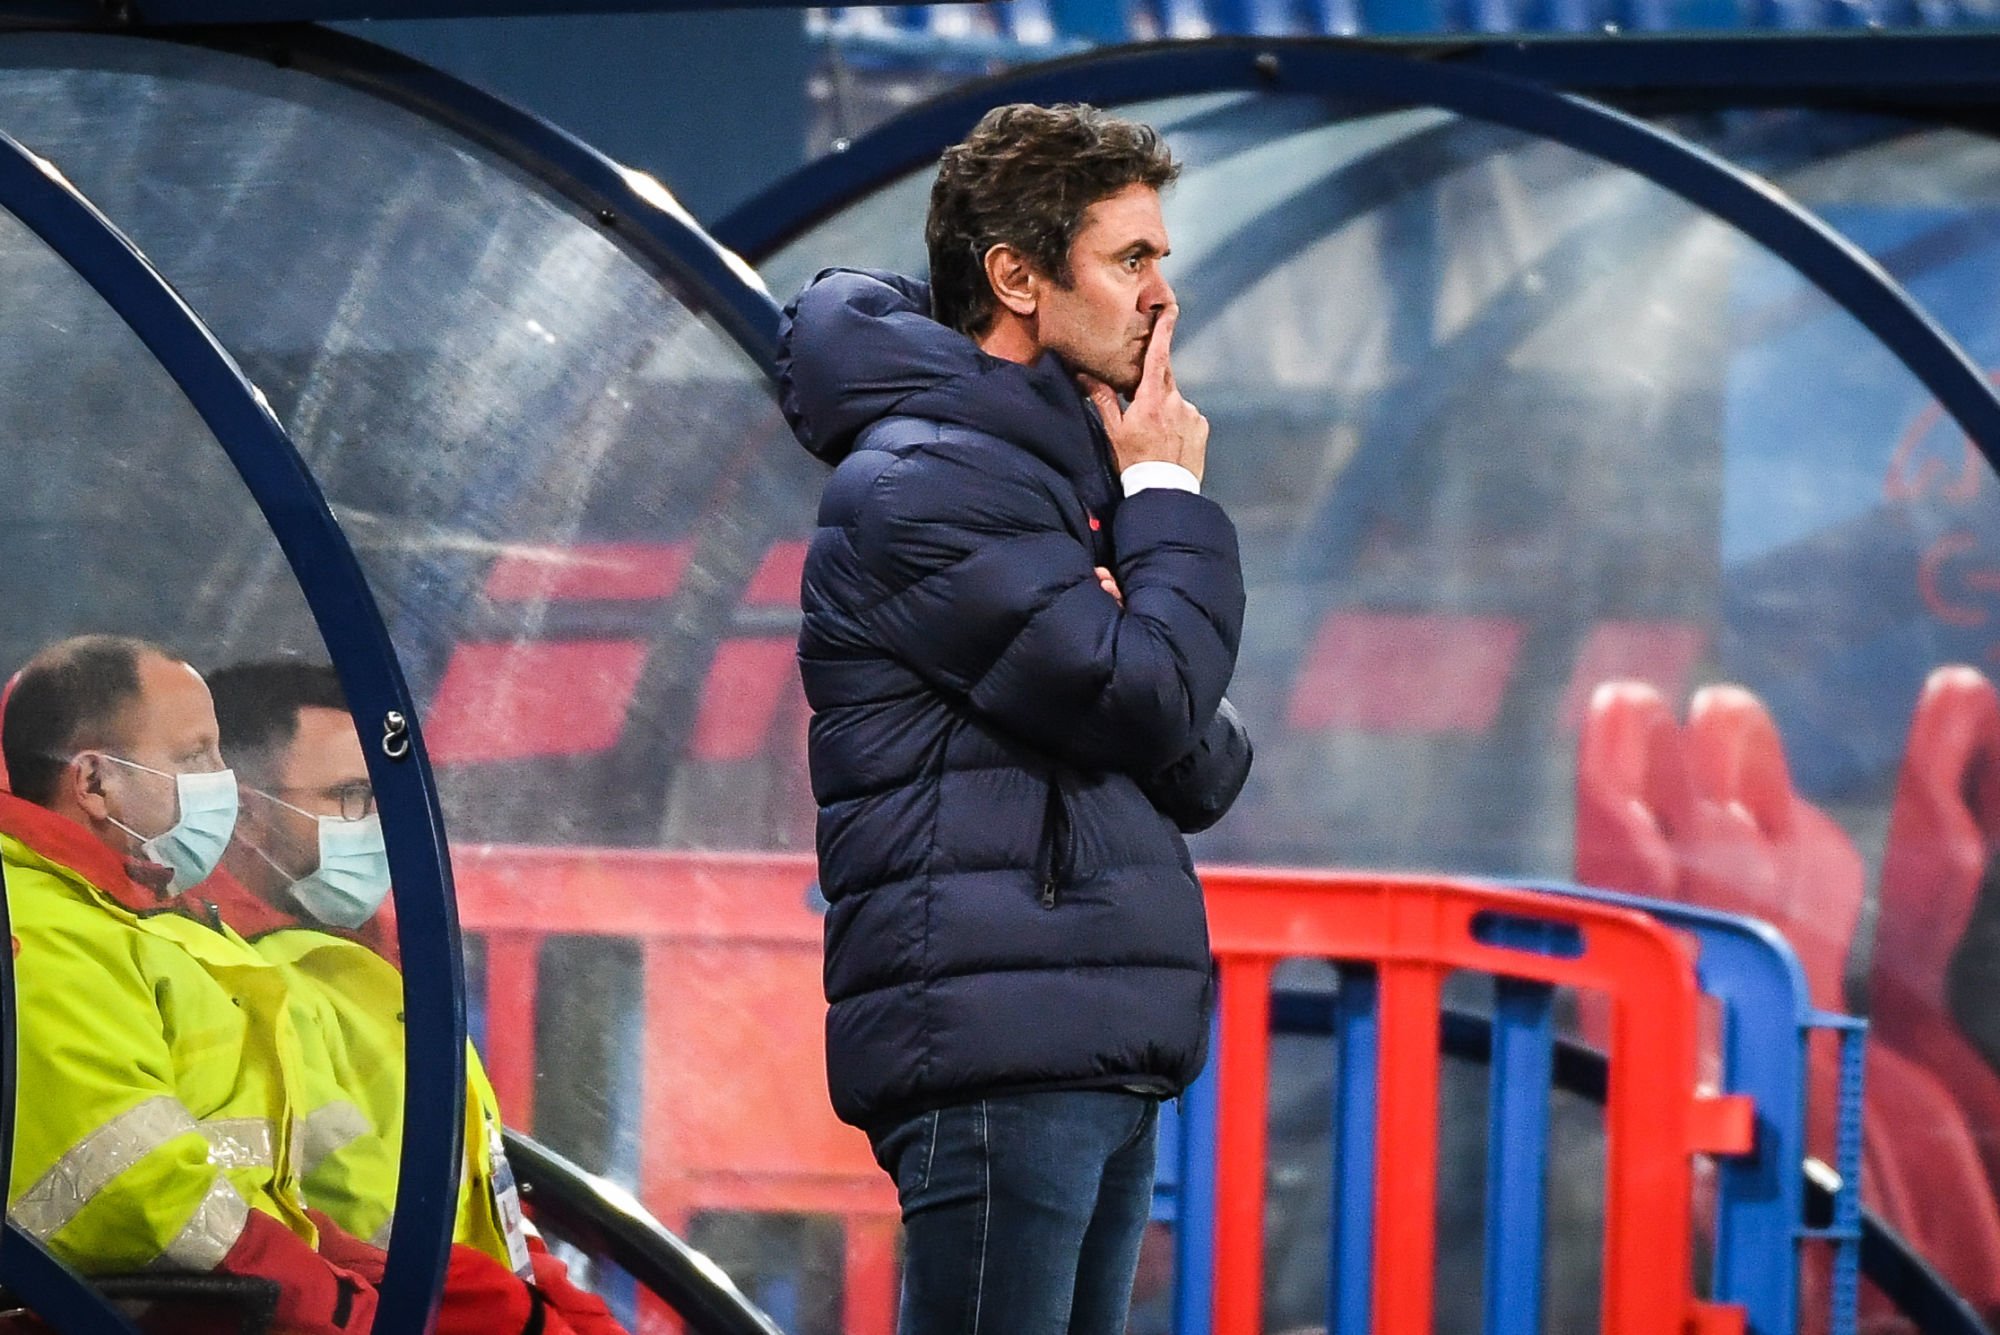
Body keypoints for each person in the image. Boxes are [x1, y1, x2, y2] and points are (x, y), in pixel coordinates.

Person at [779, 102, 1252, 1334]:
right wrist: (1164, 496)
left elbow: (1201, 762)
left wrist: (1139, 599)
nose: (1162, 297)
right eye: (1129, 259)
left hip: (1087, 1033)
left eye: (1160, 258)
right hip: (997, 1045)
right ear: (1016, 278)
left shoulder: (1053, 479)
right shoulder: (927, 478)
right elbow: (1147, 697)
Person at [205, 659, 627, 1335]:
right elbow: (360, 1245)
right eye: (351, 796)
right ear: (247, 814)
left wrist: (577, 1318)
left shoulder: (387, 968)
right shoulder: (230, 982)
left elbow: (490, 1218)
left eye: (387, 798)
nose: (380, 825)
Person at [0, 635, 382, 1334]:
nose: (224, 780)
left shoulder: (135, 917)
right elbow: (134, 1188)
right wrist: (341, 1304)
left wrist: (355, 1273)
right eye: (195, 755)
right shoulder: (40, 931)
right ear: (94, 783)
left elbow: (261, 1186)